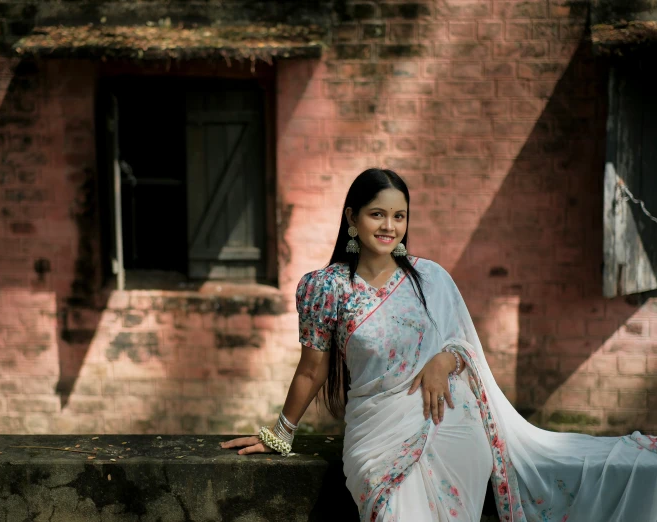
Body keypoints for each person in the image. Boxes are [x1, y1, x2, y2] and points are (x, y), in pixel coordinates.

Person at [221, 168, 657, 521]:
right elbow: (312, 370)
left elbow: (462, 344)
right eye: (377, 214)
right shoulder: (327, 287)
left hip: (450, 417)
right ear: (352, 218)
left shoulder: (431, 279)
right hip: (377, 431)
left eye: (399, 216)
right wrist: (280, 434)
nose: (389, 226)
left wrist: (445, 359)